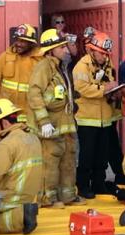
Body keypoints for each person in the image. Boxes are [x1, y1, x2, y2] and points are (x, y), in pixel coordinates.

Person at [28, 28, 84, 208]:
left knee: (68, 159)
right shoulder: (43, 67)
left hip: (64, 122)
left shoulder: (61, 66)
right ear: (50, 50)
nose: (66, 50)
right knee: (50, 162)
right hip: (50, 124)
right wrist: (43, 121)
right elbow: (34, 93)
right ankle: (47, 198)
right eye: (61, 47)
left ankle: (67, 195)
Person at [0, 99, 42, 234]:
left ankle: (21, 216)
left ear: (3, 122)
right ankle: (25, 211)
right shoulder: (33, 138)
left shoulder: (7, 144)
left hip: (12, 198)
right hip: (30, 197)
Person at [73, 32, 118, 198]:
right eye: (102, 53)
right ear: (91, 51)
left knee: (102, 156)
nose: (105, 56)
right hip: (87, 119)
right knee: (87, 156)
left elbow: (110, 82)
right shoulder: (81, 66)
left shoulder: (106, 63)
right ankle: (83, 186)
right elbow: (82, 89)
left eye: (106, 53)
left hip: (105, 118)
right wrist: (105, 89)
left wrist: (114, 90)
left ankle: (99, 184)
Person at [0, 24, 42, 123]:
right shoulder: (5, 57)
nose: (18, 44)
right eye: (17, 40)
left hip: (31, 118)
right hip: (7, 116)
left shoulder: (40, 60)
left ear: (31, 43)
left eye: (23, 41)